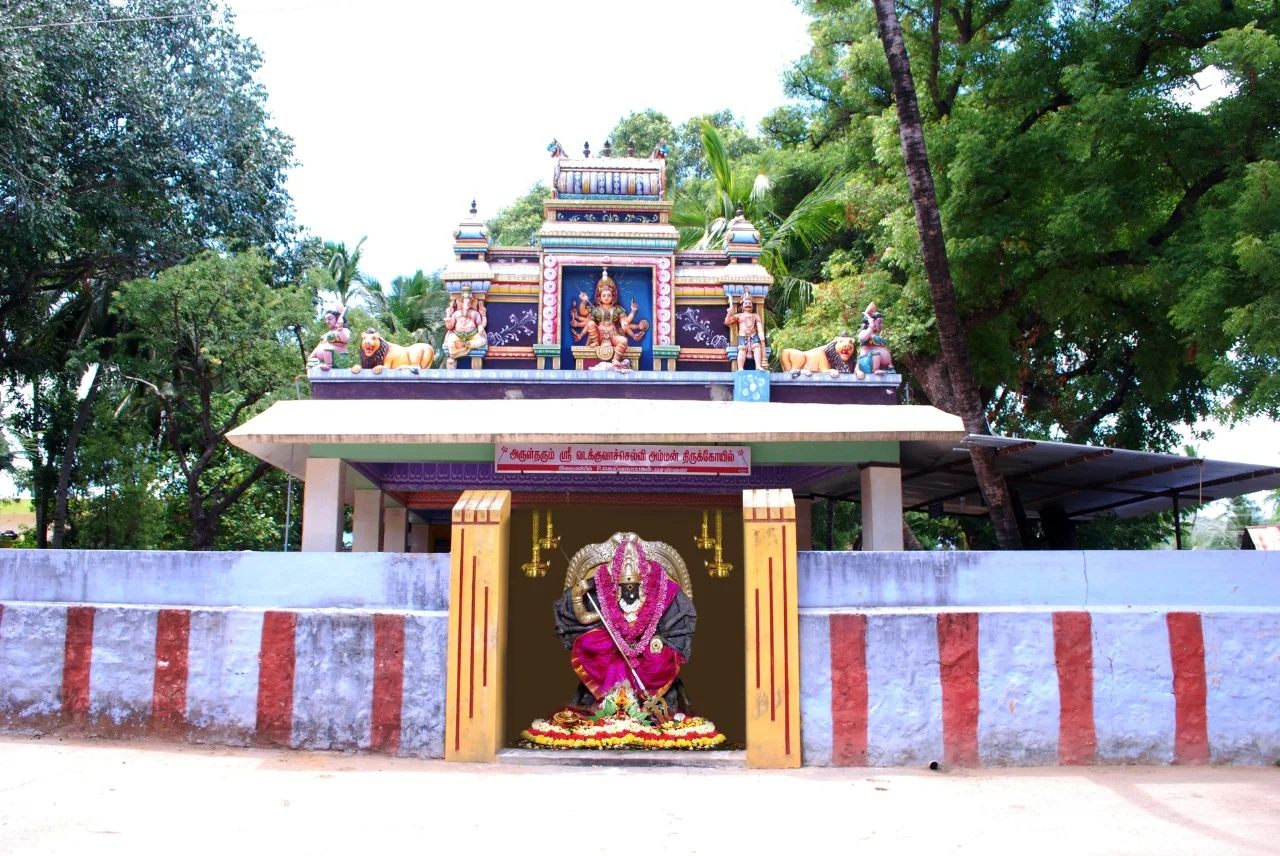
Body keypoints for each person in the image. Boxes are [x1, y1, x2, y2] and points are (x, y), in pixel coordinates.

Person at [552, 533, 696, 715]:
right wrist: (579, 593)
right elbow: (584, 618)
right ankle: (611, 708)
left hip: (645, 651)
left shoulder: (655, 600)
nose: (630, 592)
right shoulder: (607, 603)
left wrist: (656, 640)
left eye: (633, 587)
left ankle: (649, 710)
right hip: (613, 650)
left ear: (642, 586)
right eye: (625, 588)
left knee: (659, 659)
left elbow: (662, 627)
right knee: (591, 645)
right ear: (616, 588)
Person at [571, 268, 649, 368]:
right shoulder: (596, 309)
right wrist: (584, 301)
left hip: (613, 336)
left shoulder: (617, 309)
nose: (606, 297)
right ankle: (596, 342)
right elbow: (583, 312)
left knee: (624, 340)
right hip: (598, 336)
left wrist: (630, 316)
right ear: (599, 297)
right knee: (590, 323)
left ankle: (616, 359)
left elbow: (624, 321)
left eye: (609, 295)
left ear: (613, 297)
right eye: (604, 295)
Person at [443, 284, 487, 369]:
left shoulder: (475, 313)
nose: (466, 306)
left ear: (471, 304)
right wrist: (448, 317)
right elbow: (450, 327)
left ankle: (465, 345)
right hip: (458, 335)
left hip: (472, 335)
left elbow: (481, 324)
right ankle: (454, 355)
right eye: (464, 302)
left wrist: (483, 315)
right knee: (450, 342)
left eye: (468, 302)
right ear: (461, 303)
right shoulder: (456, 314)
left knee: (482, 340)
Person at [725, 291, 766, 371]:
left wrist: (761, 333)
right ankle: (740, 368)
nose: (748, 304)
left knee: (757, 348)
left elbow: (759, 325)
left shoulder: (755, 316)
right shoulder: (739, 316)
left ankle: (758, 366)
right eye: (746, 303)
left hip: (753, 335)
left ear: (752, 305)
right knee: (742, 350)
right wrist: (729, 314)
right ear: (742, 305)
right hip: (743, 336)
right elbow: (727, 322)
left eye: (749, 303)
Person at [856, 302, 894, 379]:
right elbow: (862, 338)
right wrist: (871, 326)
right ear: (872, 321)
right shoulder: (865, 332)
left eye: (882, 323)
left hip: (883, 366)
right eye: (879, 322)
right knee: (875, 353)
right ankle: (875, 370)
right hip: (867, 361)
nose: (881, 325)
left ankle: (884, 367)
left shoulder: (876, 336)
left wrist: (890, 363)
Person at [308, 306, 350, 370]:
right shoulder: (327, 334)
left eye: (330, 319)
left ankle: (328, 365)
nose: (327, 321)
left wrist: (340, 328)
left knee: (327, 347)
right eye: (326, 319)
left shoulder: (343, 330)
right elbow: (320, 345)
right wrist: (312, 356)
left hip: (339, 361)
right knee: (310, 363)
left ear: (337, 319)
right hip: (321, 362)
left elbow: (346, 339)